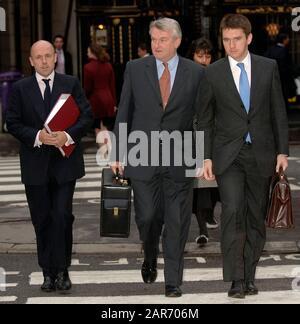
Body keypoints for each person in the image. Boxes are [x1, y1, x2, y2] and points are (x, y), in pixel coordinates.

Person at [111, 18, 206, 297]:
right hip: (142, 157)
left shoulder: (195, 72)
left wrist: (201, 156)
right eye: (154, 39)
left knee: (177, 222)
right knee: (149, 217)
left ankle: (173, 281)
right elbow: (124, 110)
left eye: (163, 40)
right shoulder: (135, 68)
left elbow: (200, 118)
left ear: (176, 41)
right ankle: (150, 253)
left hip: (180, 158)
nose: (157, 45)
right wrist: (117, 151)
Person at [199, 14, 289, 299]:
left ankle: (250, 274)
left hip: (261, 154)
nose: (231, 45)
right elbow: (205, 118)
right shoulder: (213, 72)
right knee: (232, 212)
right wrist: (206, 157)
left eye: (236, 39)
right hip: (229, 157)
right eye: (226, 40)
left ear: (248, 38)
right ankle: (236, 279)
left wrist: (282, 151)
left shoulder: (267, 67)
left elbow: (278, 112)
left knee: (254, 218)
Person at [6, 40, 93, 293]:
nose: (44, 61)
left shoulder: (71, 84)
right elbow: (12, 122)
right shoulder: (21, 88)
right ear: (31, 61)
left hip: (65, 164)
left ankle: (62, 269)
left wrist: (67, 135)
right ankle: (47, 271)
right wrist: (37, 136)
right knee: (42, 219)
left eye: (48, 56)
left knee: (62, 217)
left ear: (55, 58)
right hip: (35, 166)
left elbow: (87, 116)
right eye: (38, 57)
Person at [187, 37, 220, 247]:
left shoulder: (215, 75)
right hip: (190, 136)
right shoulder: (185, 76)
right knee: (197, 187)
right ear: (192, 55)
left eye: (207, 56)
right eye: (200, 55)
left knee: (209, 185)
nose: (204, 60)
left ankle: (207, 217)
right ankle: (202, 227)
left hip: (211, 135)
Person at [83, 43, 116, 138]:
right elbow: (112, 86)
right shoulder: (108, 66)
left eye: (88, 51)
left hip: (96, 100)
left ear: (93, 53)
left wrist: (85, 100)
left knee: (98, 128)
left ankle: (105, 151)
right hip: (108, 99)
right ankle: (107, 150)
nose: (87, 53)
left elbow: (88, 88)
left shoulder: (88, 67)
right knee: (105, 127)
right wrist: (114, 103)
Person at [264, 33, 297, 109]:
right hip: (283, 75)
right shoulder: (284, 50)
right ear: (284, 40)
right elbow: (288, 64)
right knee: (284, 92)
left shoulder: (271, 49)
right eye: (287, 38)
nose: (288, 40)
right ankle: (284, 107)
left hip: (271, 74)